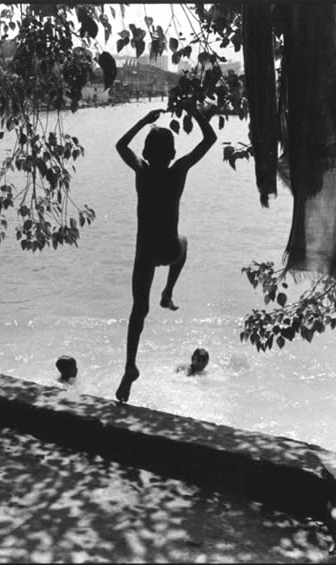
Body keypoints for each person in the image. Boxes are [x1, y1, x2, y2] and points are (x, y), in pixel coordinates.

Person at [114, 106, 216, 404]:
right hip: (170, 250)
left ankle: (130, 365)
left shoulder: (142, 170)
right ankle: (168, 291)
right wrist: (195, 111)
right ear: (171, 154)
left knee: (138, 311)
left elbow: (121, 146)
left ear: (146, 152)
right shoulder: (179, 170)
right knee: (184, 239)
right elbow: (208, 139)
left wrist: (144, 121)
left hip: (144, 253)